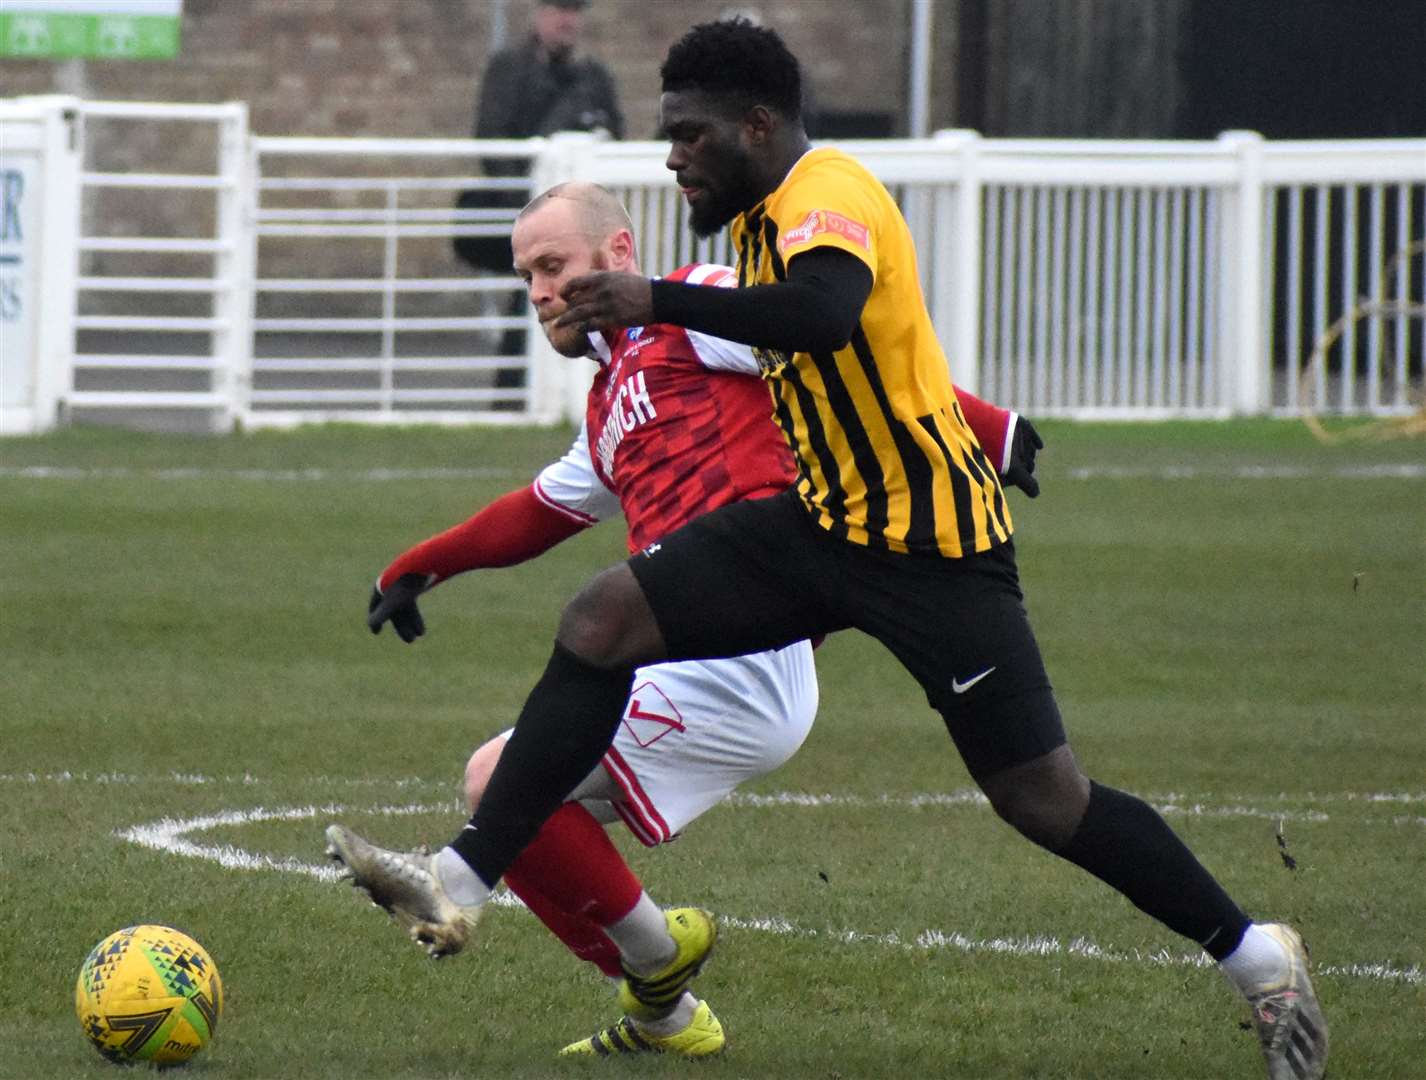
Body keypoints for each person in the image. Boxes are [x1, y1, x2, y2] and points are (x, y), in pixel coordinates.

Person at [328, 20, 1327, 1080]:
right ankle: (461, 881)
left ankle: (1261, 960)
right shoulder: (754, 231)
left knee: (1044, 800)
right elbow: (847, 357)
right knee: (599, 621)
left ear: (756, 126)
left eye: (689, 136)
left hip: (933, 548)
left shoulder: (825, 196)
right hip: (822, 524)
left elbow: (827, 316)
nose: (673, 159)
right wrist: (423, 559)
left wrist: (659, 301)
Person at [329, 180, 1040, 1058]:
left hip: (745, 655)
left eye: (554, 265)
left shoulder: (693, 308)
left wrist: (990, 427)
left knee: (499, 785)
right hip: (684, 644)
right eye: (527, 277)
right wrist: (418, 566)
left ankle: (648, 961)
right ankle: (663, 1007)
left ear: (619, 256)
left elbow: (840, 355)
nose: (542, 291)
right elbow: (535, 513)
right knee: (505, 785)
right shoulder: (606, 404)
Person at [457, 0, 624, 402]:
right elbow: (492, 142)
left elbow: (615, 137)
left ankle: (579, 394)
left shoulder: (594, 77)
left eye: (574, 11)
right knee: (533, 299)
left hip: (582, 223)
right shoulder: (510, 70)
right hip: (524, 213)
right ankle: (516, 394)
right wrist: (533, 209)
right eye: (557, 9)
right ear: (539, 14)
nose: (566, 20)